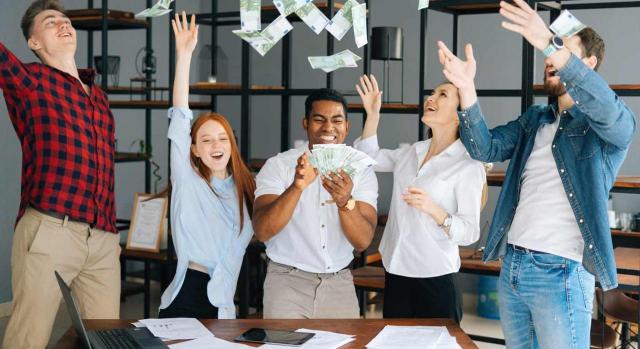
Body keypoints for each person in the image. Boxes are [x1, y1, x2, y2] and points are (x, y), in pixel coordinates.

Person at [437, 0, 636, 347]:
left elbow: (606, 106)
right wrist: (466, 90)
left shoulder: (606, 129)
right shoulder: (534, 120)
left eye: (559, 50)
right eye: (547, 51)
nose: (548, 57)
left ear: (587, 64)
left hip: (561, 273)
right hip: (513, 266)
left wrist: (548, 41)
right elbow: (486, 148)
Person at [1, 1, 121, 347]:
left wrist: (110, 237)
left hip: (101, 241)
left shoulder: (99, 98)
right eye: (50, 22)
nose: (63, 25)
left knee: (107, 341)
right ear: (34, 43)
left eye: (66, 21)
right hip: (51, 230)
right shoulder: (31, 82)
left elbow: (103, 172)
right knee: (29, 338)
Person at [353, 75, 486, 323]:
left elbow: (469, 233)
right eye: (432, 93)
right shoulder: (412, 152)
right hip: (395, 273)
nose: (431, 98)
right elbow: (366, 158)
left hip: (435, 280)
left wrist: (434, 210)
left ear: (459, 115)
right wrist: (373, 114)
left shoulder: (468, 165)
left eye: (442, 95)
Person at [158, 12, 255, 319]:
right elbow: (181, 115)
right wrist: (184, 55)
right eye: (207, 140)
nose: (216, 146)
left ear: (232, 144)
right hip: (188, 293)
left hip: (225, 300)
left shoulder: (248, 188)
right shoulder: (188, 179)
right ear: (195, 150)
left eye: (222, 139)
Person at [252, 88, 379, 319]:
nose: (328, 128)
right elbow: (262, 230)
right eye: (319, 119)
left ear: (347, 127)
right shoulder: (278, 166)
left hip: (339, 284)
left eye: (337, 120)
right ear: (306, 123)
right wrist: (297, 187)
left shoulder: (361, 171)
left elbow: (362, 242)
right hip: (286, 282)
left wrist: (344, 201)